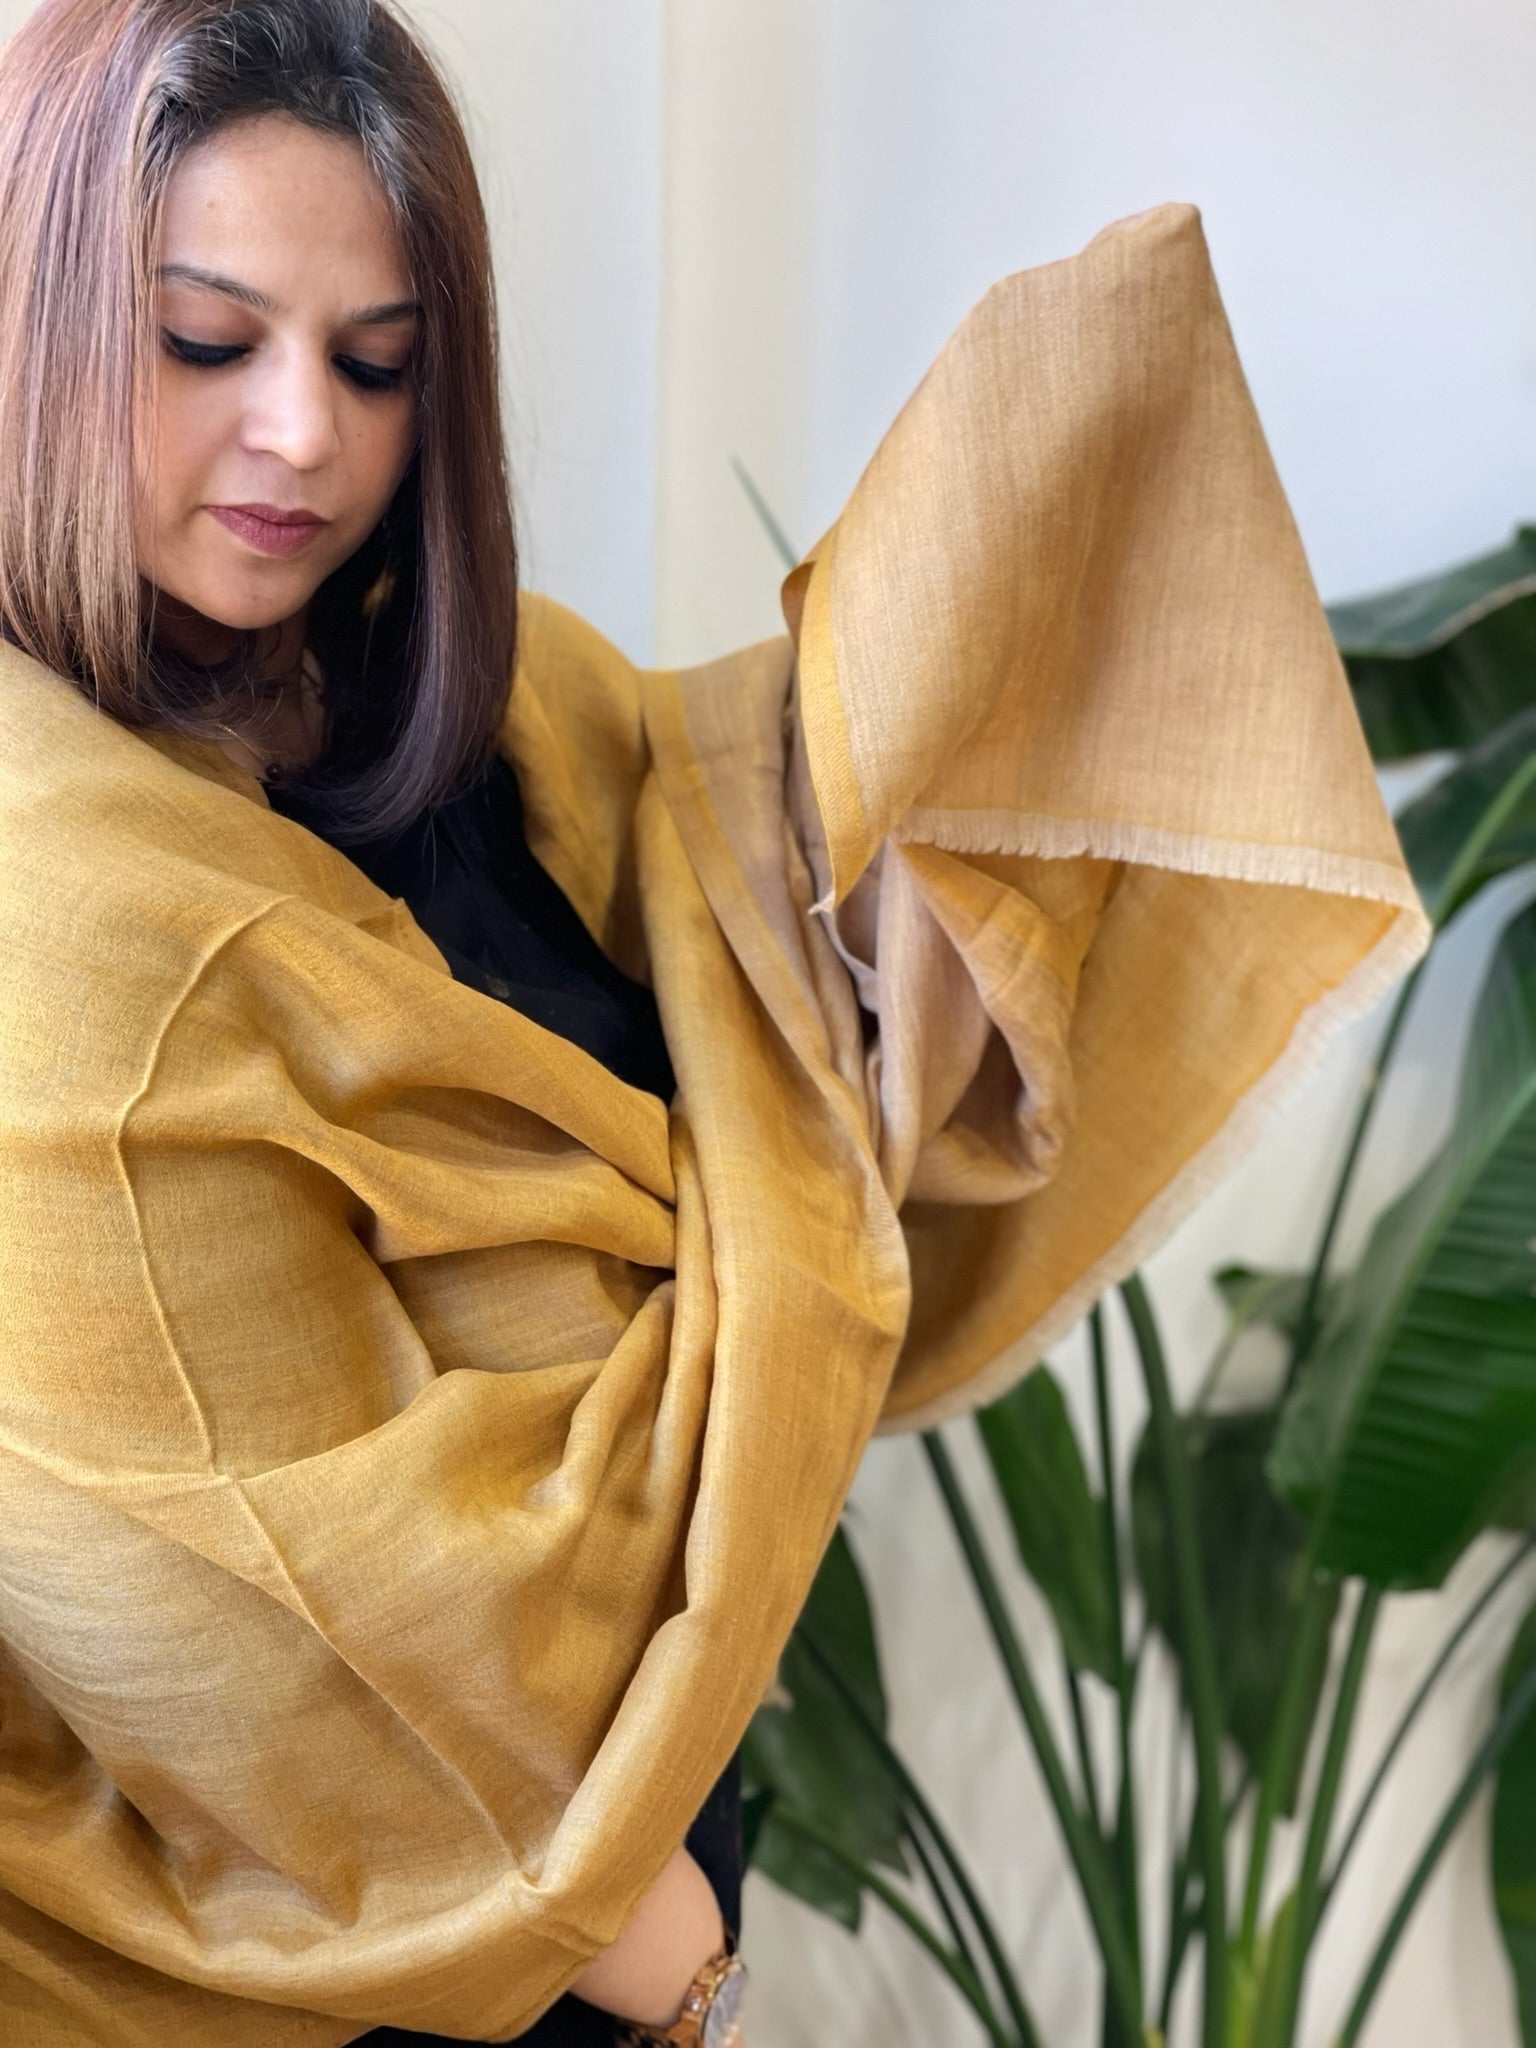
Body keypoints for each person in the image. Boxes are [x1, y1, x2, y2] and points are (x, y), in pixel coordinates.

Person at [0, 2, 1431, 2045]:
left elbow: (753, 887)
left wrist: (1033, 527)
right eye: (205, 340)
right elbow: (313, 1694)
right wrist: (701, 1989)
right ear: (37, 314)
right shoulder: (52, 927)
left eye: (377, 362)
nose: (304, 431)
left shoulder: (470, 704)